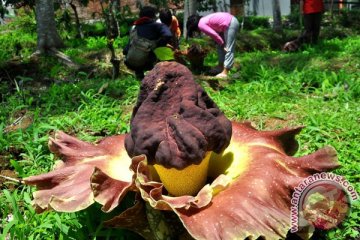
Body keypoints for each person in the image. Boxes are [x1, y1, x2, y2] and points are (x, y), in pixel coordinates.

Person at [123, 5, 172, 79]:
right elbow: (168, 35)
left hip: (131, 63)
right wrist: (158, 46)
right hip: (149, 62)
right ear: (153, 16)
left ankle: (140, 79)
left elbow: (126, 48)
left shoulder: (134, 27)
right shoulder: (157, 26)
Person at [186, 12, 239, 78]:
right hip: (226, 24)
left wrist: (222, 44)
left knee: (228, 48)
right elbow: (215, 34)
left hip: (230, 23)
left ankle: (225, 71)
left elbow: (214, 35)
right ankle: (220, 66)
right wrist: (220, 44)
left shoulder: (200, 24)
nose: (196, 32)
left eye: (194, 31)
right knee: (219, 46)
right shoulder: (203, 20)